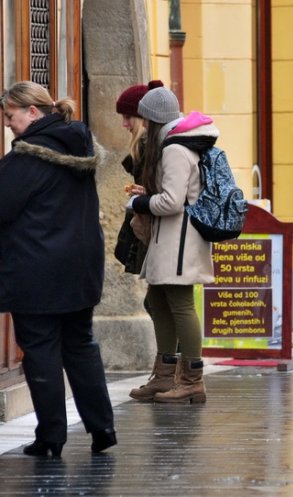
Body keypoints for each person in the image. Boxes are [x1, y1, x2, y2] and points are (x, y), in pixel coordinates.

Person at [0, 81, 116, 456]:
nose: (7, 124)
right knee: (80, 346)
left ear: (33, 112)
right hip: (81, 269)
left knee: (41, 351)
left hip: (37, 273)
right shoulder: (78, 146)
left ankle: (51, 436)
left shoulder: (27, 159)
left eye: (10, 115)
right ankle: (103, 428)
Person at [125, 87, 215, 403]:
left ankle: (192, 379)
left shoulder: (175, 149)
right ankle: (164, 376)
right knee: (158, 299)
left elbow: (172, 201)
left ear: (152, 120)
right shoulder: (176, 144)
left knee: (180, 303)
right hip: (171, 238)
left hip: (179, 240)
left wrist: (140, 202)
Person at [114, 79, 164, 276]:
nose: (124, 124)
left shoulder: (149, 147)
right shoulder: (143, 147)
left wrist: (147, 193)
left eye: (128, 117)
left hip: (156, 232)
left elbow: (169, 192)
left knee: (158, 301)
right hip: (152, 230)